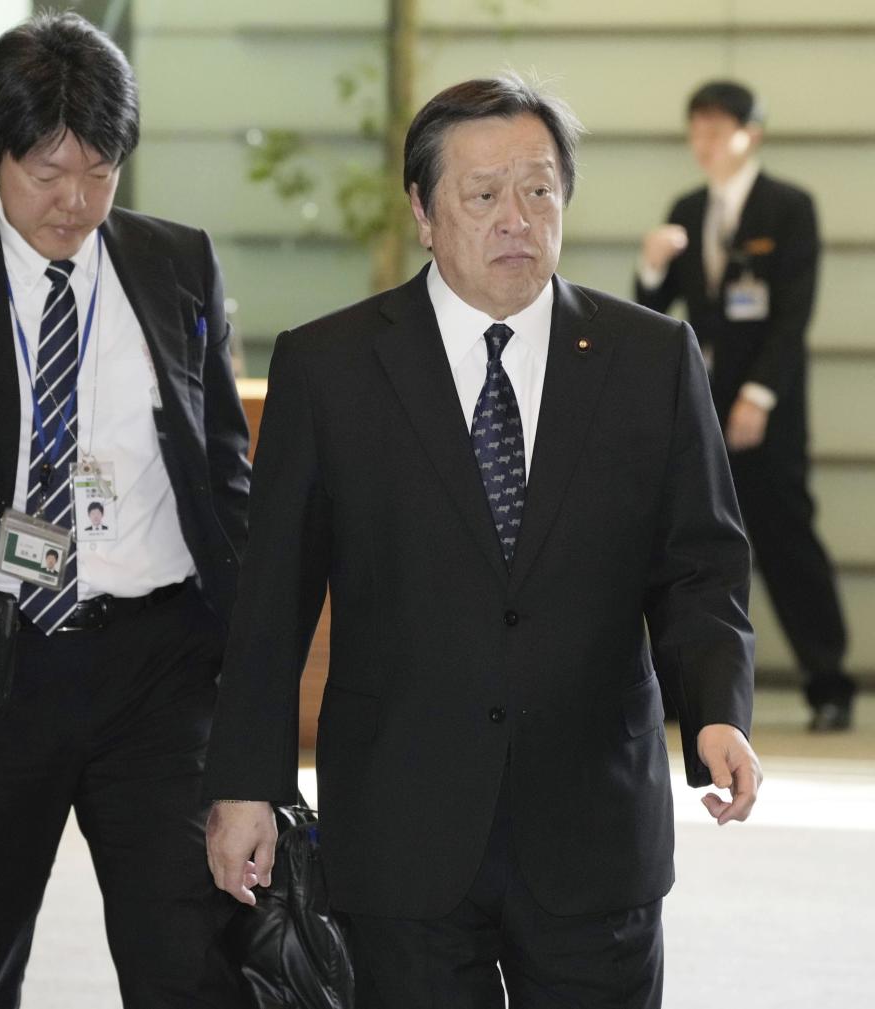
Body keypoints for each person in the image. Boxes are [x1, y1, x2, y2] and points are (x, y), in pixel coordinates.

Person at [204, 75, 762, 1009]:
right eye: (484, 194)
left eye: (539, 189)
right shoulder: (332, 367)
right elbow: (273, 595)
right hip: (400, 829)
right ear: (424, 211)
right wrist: (245, 783)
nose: (517, 217)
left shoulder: (650, 359)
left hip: (594, 833)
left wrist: (715, 709)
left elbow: (700, 564)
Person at [0, 13, 251, 1008]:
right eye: (46, 172)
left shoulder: (177, 264)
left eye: (99, 171)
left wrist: (255, 651)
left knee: (187, 958)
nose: (74, 202)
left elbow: (225, 467)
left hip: (158, 668)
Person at [636, 80, 855, 732]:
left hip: (769, 411)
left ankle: (829, 682)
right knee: (686, 545)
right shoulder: (686, 207)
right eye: (694, 128)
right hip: (698, 408)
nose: (702, 142)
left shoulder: (789, 208)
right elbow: (654, 318)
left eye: (715, 128)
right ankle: (680, 689)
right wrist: (649, 270)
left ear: (749, 132)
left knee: (787, 541)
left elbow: (792, 316)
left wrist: (759, 397)